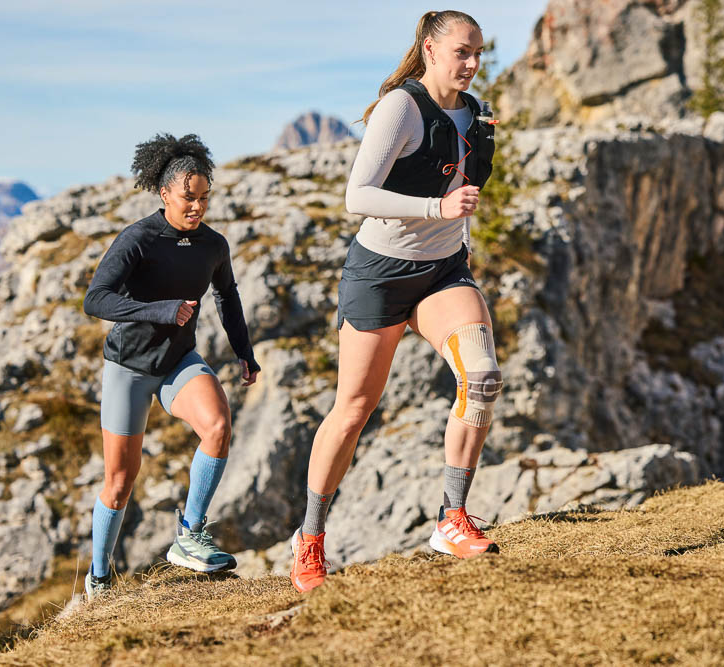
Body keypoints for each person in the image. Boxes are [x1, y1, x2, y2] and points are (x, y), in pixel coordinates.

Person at [290, 10, 500, 593]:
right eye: (462, 52)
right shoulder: (400, 108)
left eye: (478, 52)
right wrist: (438, 209)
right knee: (353, 410)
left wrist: (454, 214)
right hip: (379, 275)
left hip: (441, 273)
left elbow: (461, 181)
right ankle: (310, 537)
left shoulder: (475, 111)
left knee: (480, 377)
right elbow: (357, 194)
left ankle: (451, 518)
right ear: (430, 50)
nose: (473, 63)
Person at [82, 133, 260, 599]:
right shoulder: (138, 239)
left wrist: (243, 350)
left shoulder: (213, 245)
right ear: (165, 194)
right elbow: (95, 299)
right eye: (188, 198)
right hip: (130, 368)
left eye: (204, 198)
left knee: (218, 426)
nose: (197, 207)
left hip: (178, 361)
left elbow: (227, 295)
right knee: (120, 482)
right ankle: (99, 577)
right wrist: (159, 310)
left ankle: (190, 535)